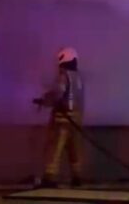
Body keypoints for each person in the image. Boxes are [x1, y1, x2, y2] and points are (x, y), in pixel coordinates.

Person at [36, 47, 84, 188]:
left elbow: (58, 93)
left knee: (54, 148)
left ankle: (50, 177)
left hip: (62, 120)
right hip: (75, 121)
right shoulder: (78, 77)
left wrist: (44, 100)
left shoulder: (63, 76)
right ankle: (77, 177)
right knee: (74, 150)